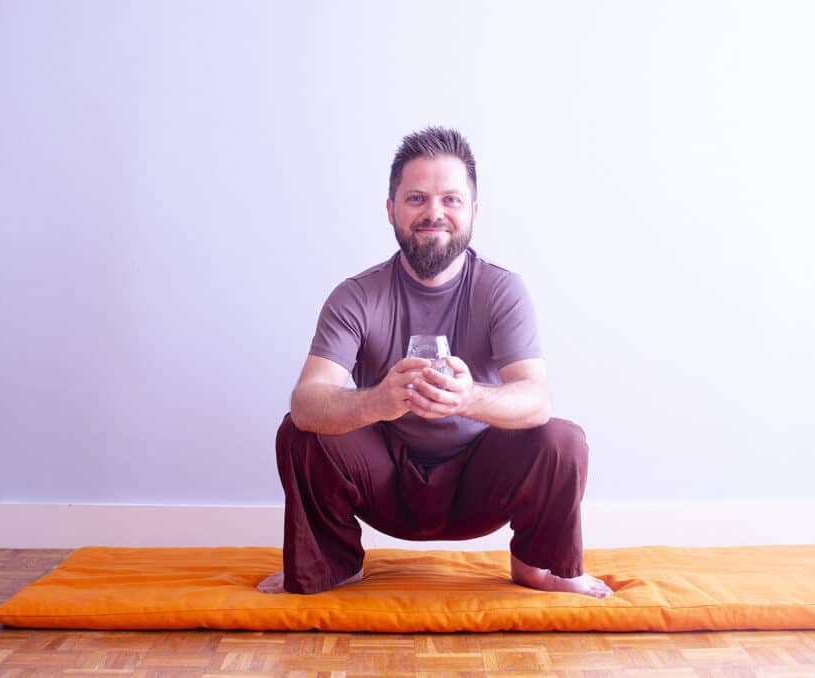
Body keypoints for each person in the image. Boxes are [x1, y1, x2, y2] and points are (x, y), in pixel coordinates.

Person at [258, 127, 611, 598]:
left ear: (473, 212)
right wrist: (378, 402)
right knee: (299, 433)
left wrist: (469, 398)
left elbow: (536, 399)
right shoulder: (356, 296)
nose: (434, 213)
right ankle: (329, 565)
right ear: (391, 210)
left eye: (450, 199)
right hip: (386, 482)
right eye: (417, 198)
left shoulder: (501, 290)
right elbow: (308, 400)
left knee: (564, 440)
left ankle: (540, 566)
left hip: (478, 483)